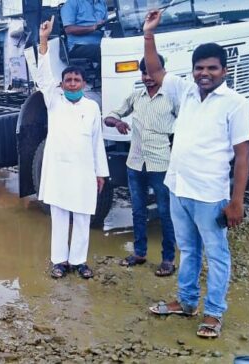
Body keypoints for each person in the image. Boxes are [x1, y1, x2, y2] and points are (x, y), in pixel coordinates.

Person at [142, 9, 249, 339]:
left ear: (224, 70)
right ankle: (187, 302)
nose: (204, 73)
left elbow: (242, 156)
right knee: (188, 251)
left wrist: (236, 201)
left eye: (211, 68)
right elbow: (154, 69)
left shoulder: (236, 103)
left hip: (210, 194)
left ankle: (214, 313)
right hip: (179, 187)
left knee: (217, 254)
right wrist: (149, 34)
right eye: (199, 68)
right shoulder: (186, 91)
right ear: (193, 71)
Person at [35, 16, 109, 279]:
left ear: (84, 84)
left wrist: (101, 172)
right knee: (59, 217)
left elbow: (97, 141)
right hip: (58, 170)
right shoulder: (53, 100)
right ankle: (59, 261)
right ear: (62, 84)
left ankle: (79, 261)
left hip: (83, 171)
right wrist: (43, 39)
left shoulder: (92, 107)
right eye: (68, 80)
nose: (73, 84)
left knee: (82, 216)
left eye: (77, 80)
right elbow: (43, 77)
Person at [104, 54, 177, 277]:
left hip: (161, 164)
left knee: (165, 213)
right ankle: (139, 252)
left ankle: (168, 259)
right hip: (135, 164)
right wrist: (117, 122)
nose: (148, 77)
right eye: (144, 73)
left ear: (162, 71)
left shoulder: (172, 99)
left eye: (153, 72)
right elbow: (109, 116)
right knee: (137, 211)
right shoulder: (136, 97)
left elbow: (188, 124)